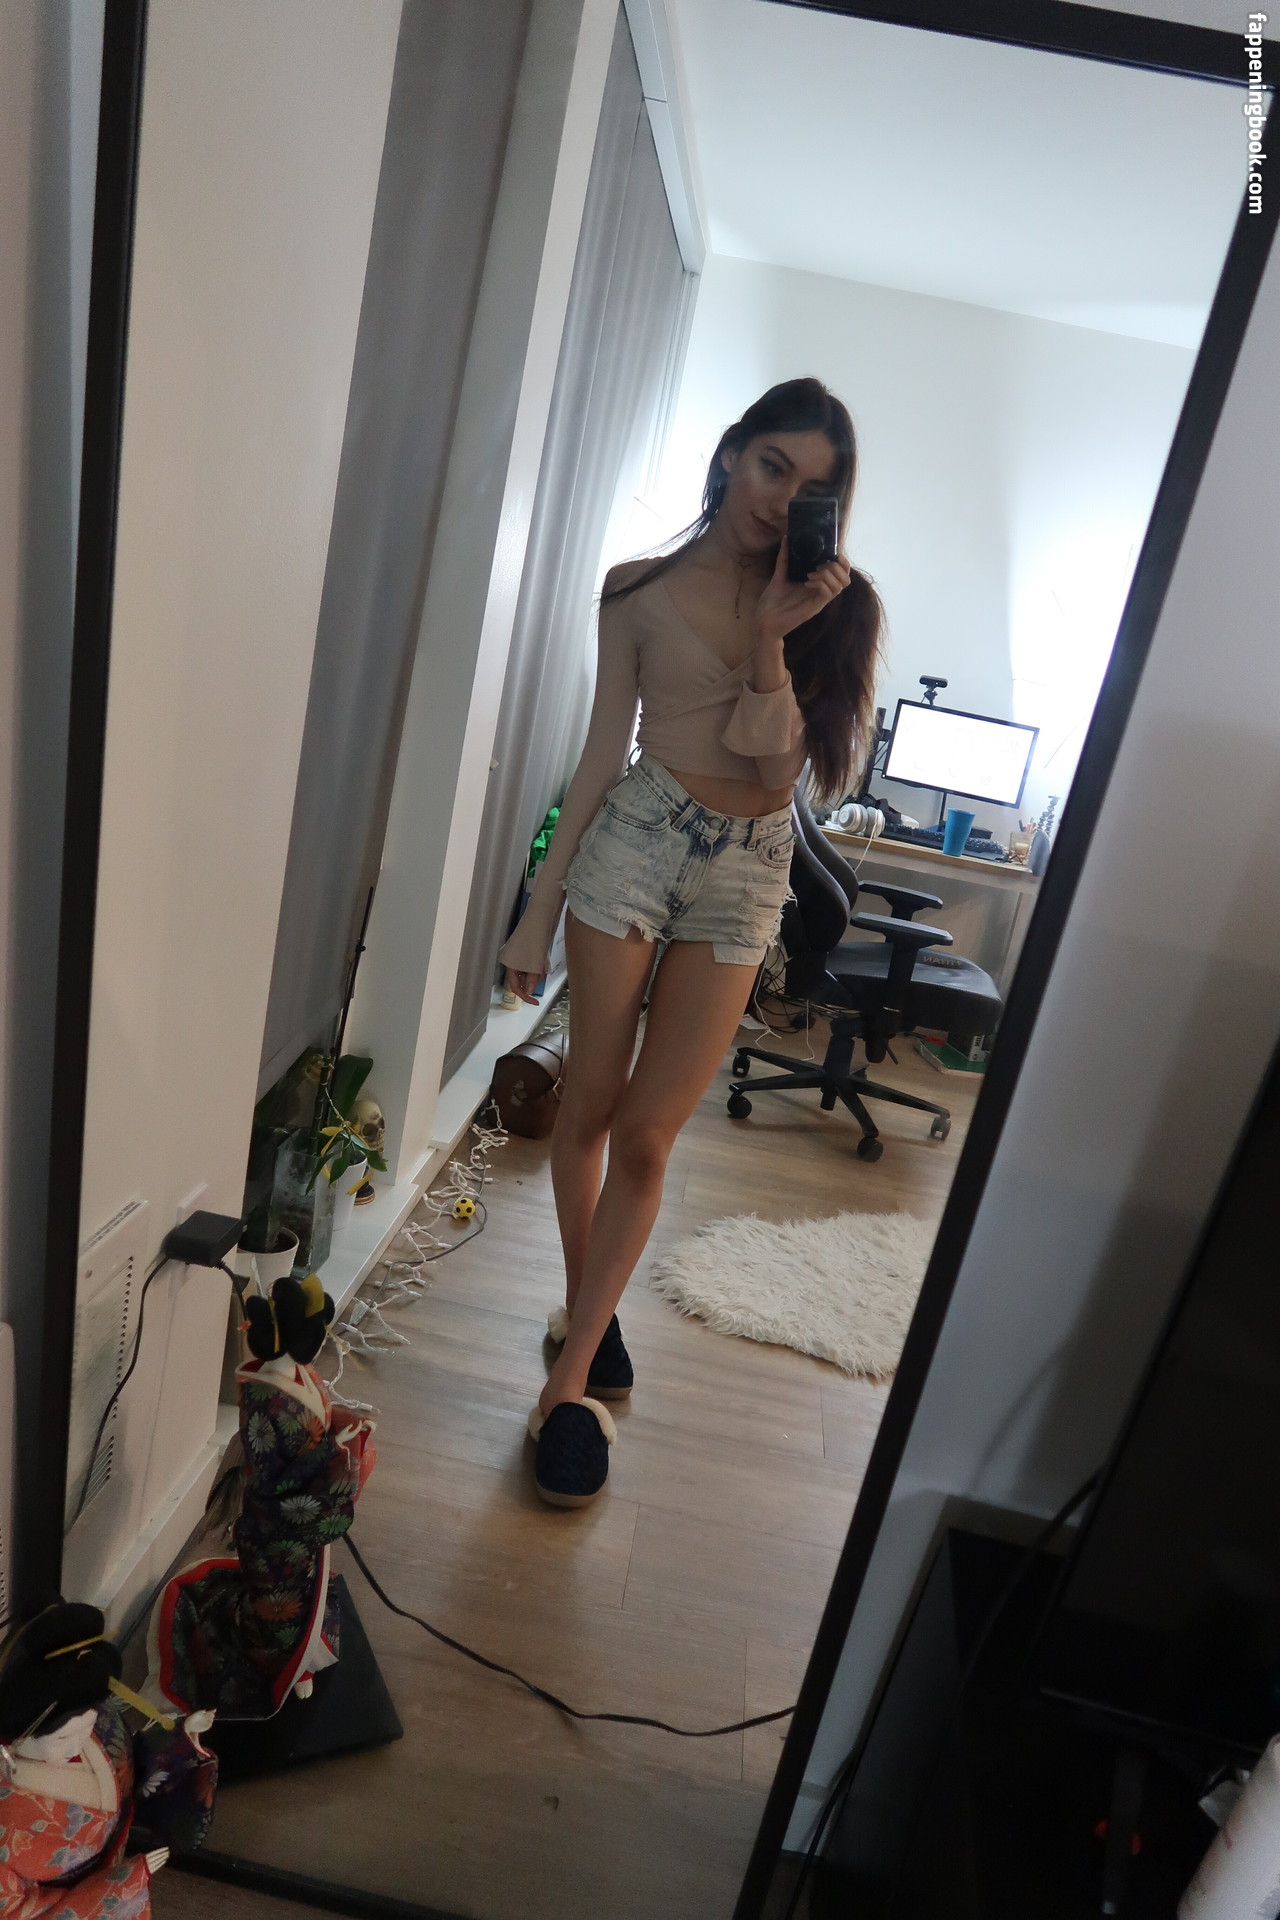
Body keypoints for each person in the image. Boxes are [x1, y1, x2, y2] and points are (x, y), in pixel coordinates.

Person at [499, 377, 883, 1507]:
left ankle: (568, 1372)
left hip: (747, 871)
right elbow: (594, 758)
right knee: (588, 1108)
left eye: (811, 487)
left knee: (650, 1139)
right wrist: (534, 912)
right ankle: (587, 1349)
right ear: (728, 454)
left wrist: (772, 639)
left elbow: (783, 771)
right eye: (772, 465)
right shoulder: (634, 589)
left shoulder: (837, 608)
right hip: (633, 841)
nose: (781, 498)